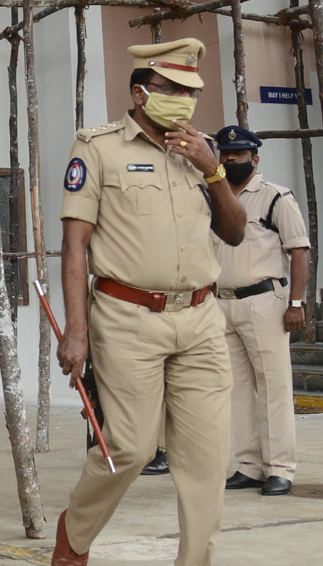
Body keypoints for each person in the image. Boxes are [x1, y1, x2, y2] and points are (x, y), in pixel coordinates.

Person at [52, 38, 246, 566]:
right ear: (140, 93)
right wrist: (76, 330)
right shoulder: (98, 147)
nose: (185, 101)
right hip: (127, 317)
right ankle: (76, 533)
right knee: (131, 448)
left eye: (192, 92)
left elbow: (234, 232)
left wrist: (213, 170)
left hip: (202, 319)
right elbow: (75, 245)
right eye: (173, 89)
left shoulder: (200, 151)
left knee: (207, 462)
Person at [212, 125, 309, 497]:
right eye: (226, 154)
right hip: (223, 302)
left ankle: (281, 468)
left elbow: (298, 250)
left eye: (239, 154)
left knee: (274, 386)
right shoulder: (216, 198)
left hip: (265, 302)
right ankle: (250, 466)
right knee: (237, 389)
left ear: (255, 157)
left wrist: (296, 303)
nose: (231, 160)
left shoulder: (274, 197)